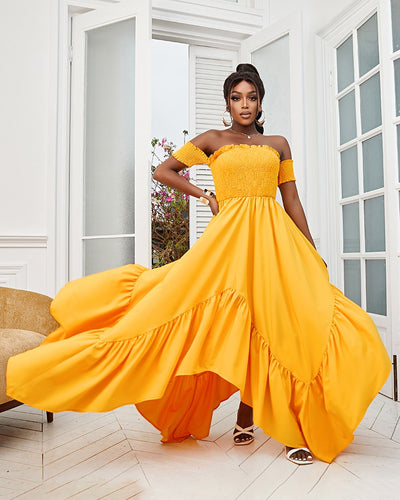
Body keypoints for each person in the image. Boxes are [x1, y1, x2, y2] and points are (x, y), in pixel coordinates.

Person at [7, 64, 391, 466]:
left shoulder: (279, 144)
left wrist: (310, 249)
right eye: (237, 97)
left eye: (252, 97)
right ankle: (248, 413)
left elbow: (291, 199)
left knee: (283, 324)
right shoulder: (213, 139)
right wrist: (205, 195)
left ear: (261, 102)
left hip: (275, 243)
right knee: (224, 319)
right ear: (227, 103)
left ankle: (277, 420)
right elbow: (164, 170)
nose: (245, 104)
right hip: (228, 244)